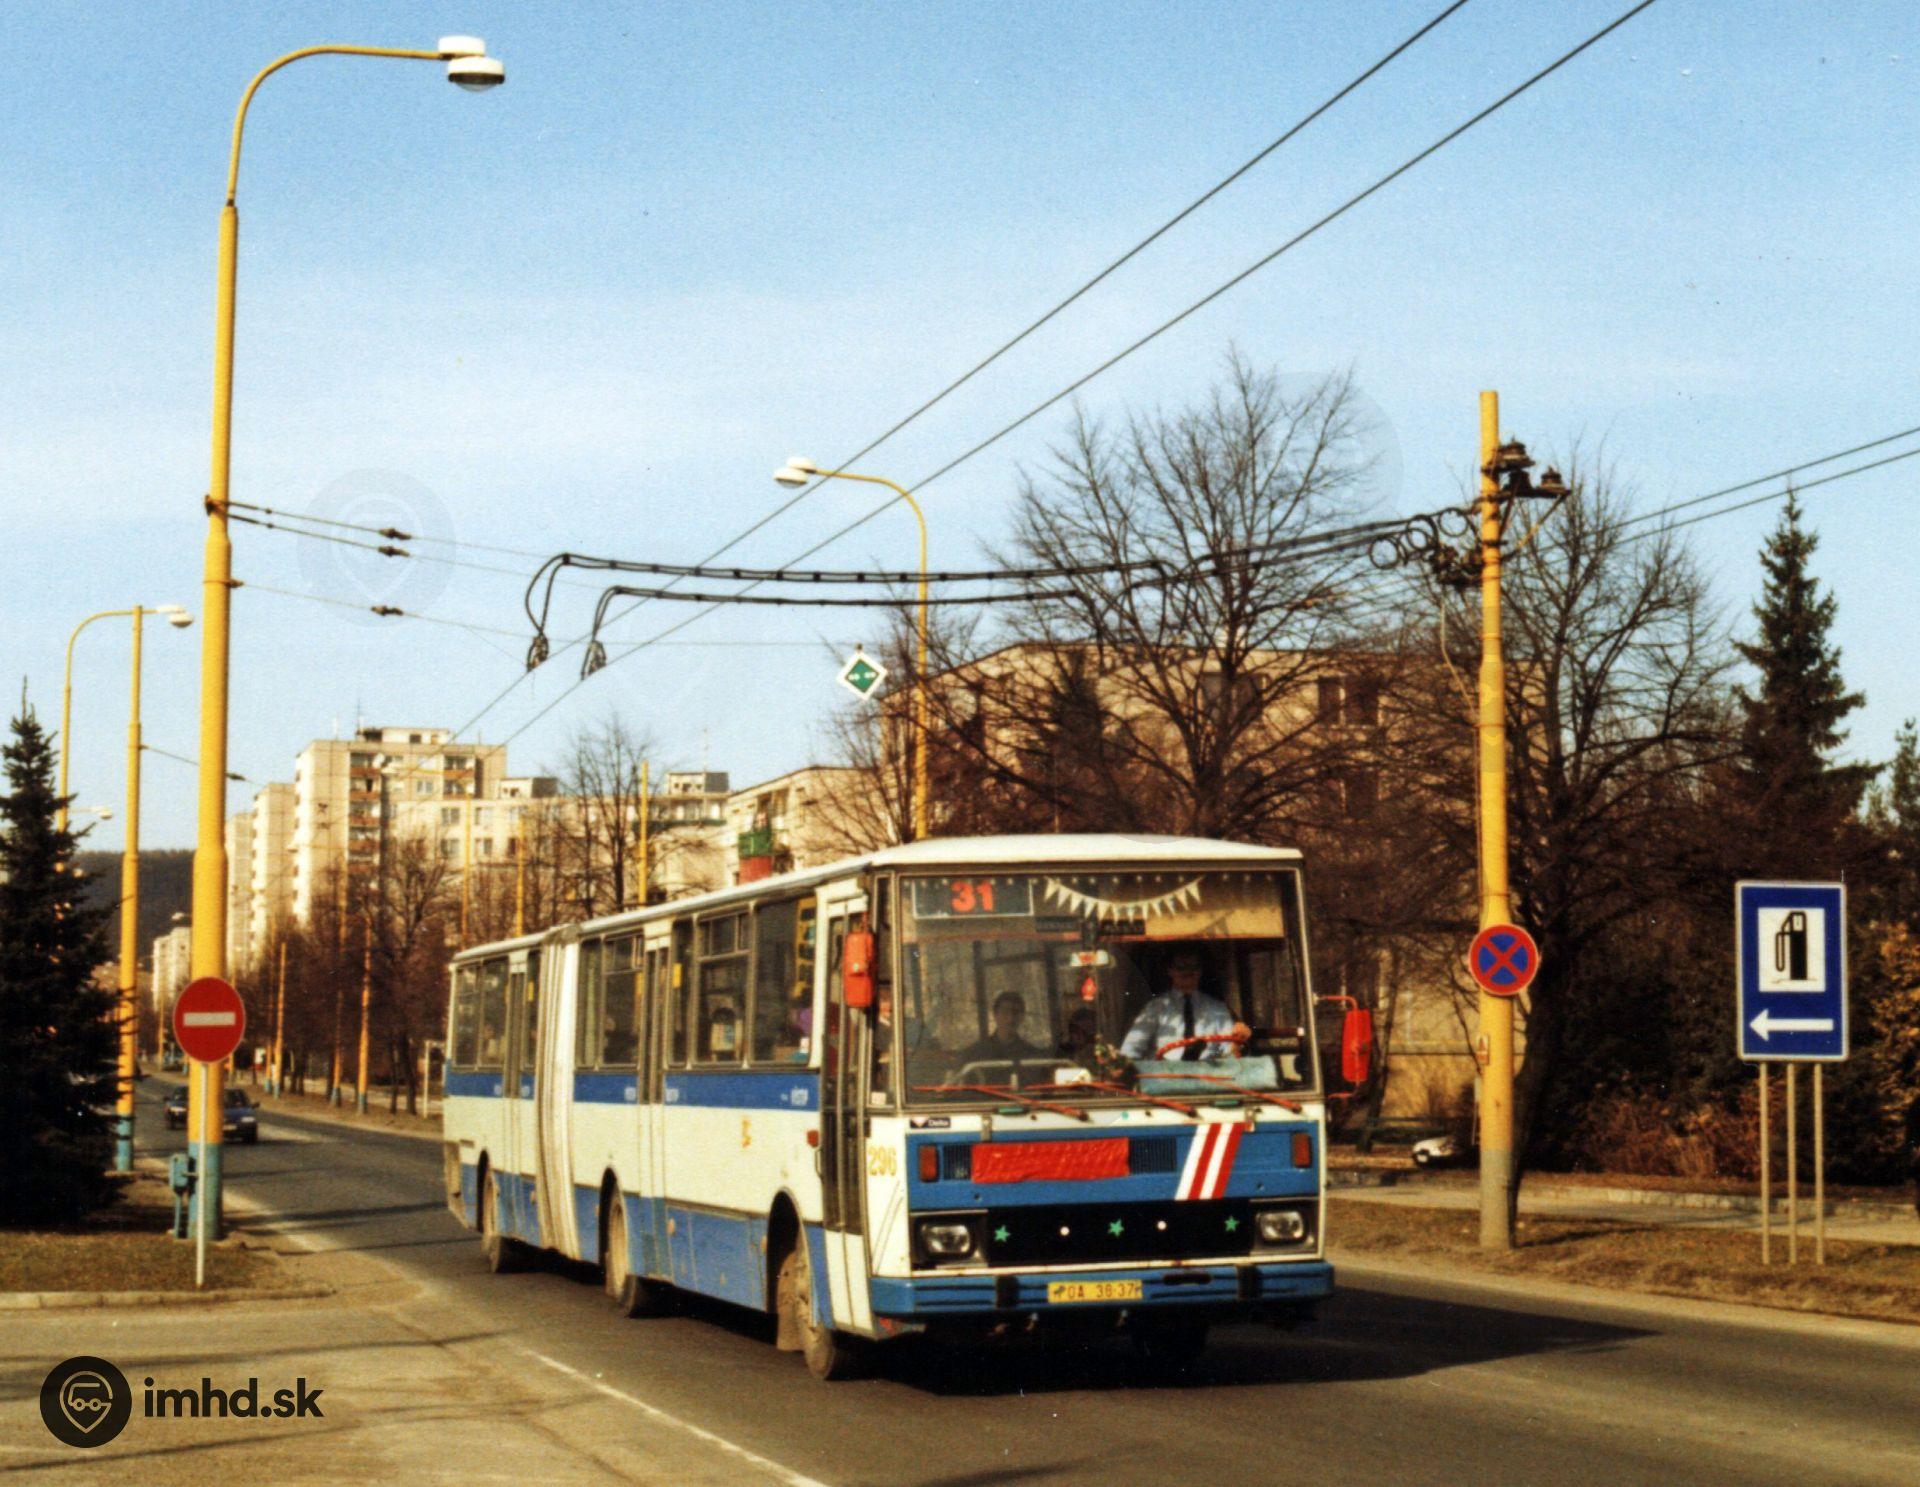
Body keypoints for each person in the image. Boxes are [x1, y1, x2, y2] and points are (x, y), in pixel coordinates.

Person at [1121, 950, 1248, 1062]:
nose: (1187, 971)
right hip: (1165, 1076)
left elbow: (1228, 1050)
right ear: (1170, 971)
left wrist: (1236, 1041)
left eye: (1193, 967)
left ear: (1200, 971)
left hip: (1207, 1074)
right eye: (1180, 967)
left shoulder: (1217, 1008)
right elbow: (1131, 1047)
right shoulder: (1156, 1007)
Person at [955, 991, 1043, 1067]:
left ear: (1022, 1016)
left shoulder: (1032, 1056)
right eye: (1005, 1012)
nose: (1010, 1018)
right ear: (995, 1015)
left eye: (1015, 1013)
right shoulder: (974, 1054)